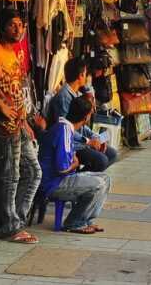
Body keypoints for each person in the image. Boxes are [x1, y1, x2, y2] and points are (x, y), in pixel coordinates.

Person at [0, 9, 42, 244]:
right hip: (3, 127)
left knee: (33, 172)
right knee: (10, 175)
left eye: (21, 25)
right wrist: (2, 107)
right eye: (13, 25)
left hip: (18, 125)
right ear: (3, 27)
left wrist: (24, 120)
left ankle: (17, 219)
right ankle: (9, 226)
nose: (19, 29)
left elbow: (16, 89)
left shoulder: (15, 53)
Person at [38, 95, 111, 234]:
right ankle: (74, 222)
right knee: (98, 184)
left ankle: (86, 220)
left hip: (62, 178)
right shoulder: (64, 130)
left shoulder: (65, 127)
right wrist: (75, 163)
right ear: (85, 118)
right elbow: (62, 168)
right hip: (54, 183)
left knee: (106, 179)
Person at [48, 58, 118, 172]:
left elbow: (80, 123)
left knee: (112, 154)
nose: (86, 77)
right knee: (102, 160)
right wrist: (89, 142)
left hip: (81, 141)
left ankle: (84, 176)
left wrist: (96, 138)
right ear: (80, 75)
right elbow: (65, 129)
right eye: (85, 74)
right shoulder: (63, 97)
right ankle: (80, 177)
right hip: (71, 144)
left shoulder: (78, 94)